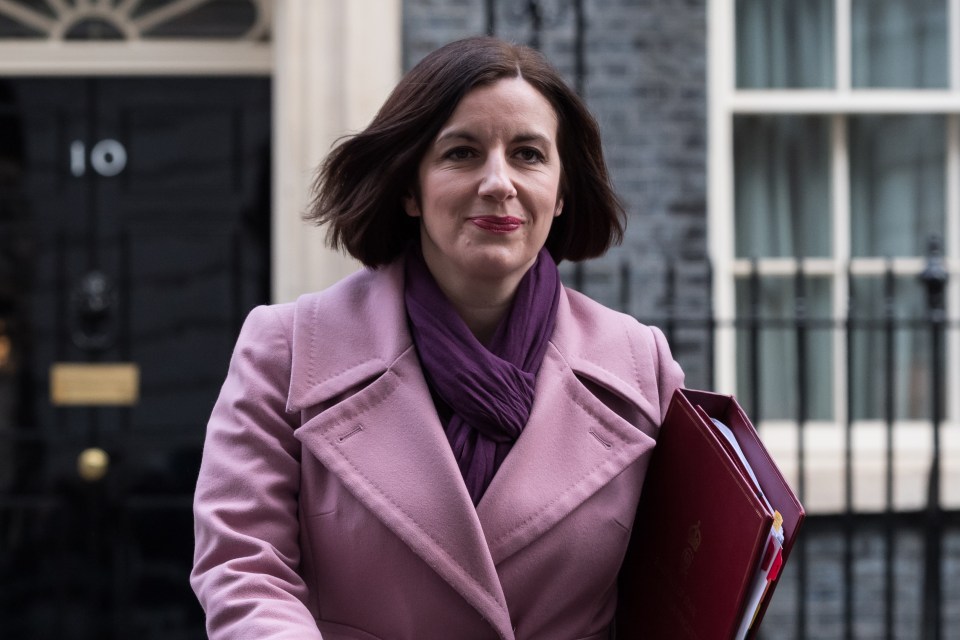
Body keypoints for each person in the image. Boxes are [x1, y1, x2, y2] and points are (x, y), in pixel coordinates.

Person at [191, 36, 684, 640]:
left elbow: (684, 591)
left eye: (528, 154)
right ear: (410, 188)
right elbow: (244, 569)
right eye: (462, 153)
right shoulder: (286, 350)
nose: (498, 182)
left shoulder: (641, 366)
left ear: (562, 193)